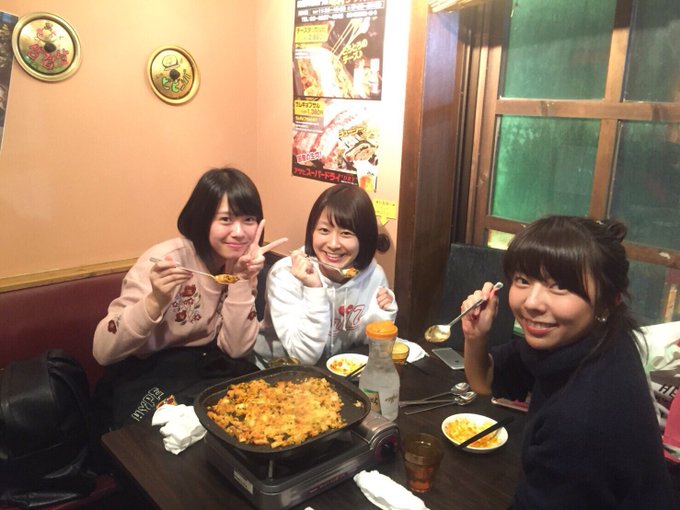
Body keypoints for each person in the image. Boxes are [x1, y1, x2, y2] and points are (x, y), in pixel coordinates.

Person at [462, 216, 676, 509]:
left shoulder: (581, 420)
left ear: (608, 300)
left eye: (560, 285)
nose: (532, 302)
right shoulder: (593, 338)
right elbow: (485, 380)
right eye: (523, 280)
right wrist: (475, 336)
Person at [92, 167, 287, 429]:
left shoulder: (244, 264)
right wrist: (155, 301)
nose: (240, 232)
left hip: (207, 370)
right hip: (148, 373)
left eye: (249, 220)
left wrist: (241, 280)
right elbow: (102, 351)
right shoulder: (167, 261)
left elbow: (236, 349)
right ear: (203, 219)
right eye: (226, 219)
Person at [255, 183, 397, 365]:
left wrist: (383, 312)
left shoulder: (373, 276)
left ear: (364, 238)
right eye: (324, 230)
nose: (333, 244)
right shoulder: (285, 275)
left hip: (336, 371)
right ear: (312, 231)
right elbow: (302, 358)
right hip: (274, 369)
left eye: (346, 233)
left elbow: (369, 345)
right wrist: (314, 288)